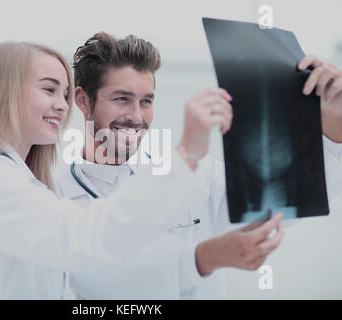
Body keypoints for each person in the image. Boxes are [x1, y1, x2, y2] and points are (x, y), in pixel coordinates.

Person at [57, 32, 342, 299]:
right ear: (83, 100)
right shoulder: (57, 199)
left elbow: (293, 199)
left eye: (146, 101)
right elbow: (103, 278)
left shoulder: (198, 175)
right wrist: (206, 256)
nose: (135, 116)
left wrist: (333, 126)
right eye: (122, 99)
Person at [0, 41, 225, 299]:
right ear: (6, 94)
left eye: (63, 95)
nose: (62, 106)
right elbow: (86, 236)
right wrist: (186, 153)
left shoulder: (29, 184)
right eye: (49, 89)